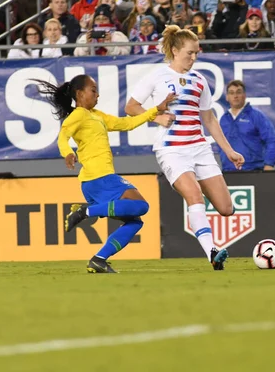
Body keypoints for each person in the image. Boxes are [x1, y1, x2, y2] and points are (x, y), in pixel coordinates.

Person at [125, 25, 245, 270]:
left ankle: (204, 218)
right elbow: (131, 107)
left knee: (226, 208)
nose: (194, 58)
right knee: (194, 196)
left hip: (200, 148)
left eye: (197, 53)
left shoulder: (199, 80)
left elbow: (209, 119)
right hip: (172, 149)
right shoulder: (157, 76)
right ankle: (212, 251)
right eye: (190, 53)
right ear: (176, 50)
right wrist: (157, 117)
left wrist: (229, 151)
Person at [34, 74, 174, 273]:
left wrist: (155, 111)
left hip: (98, 180)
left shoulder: (97, 115)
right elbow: (62, 137)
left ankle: (99, 259)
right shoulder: (78, 115)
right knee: (141, 205)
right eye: (93, 90)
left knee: (134, 222)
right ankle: (85, 212)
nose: (97, 95)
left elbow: (126, 124)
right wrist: (67, 153)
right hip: (99, 177)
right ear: (80, 93)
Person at [219, 80, 275, 171]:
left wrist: (269, 164)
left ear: (244, 95)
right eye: (231, 93)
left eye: (238, 92)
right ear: (227, 97)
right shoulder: (223, 119)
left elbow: (273, 140)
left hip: (253, 171)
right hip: (228, 171)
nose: (235, 96)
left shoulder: (256, 116)